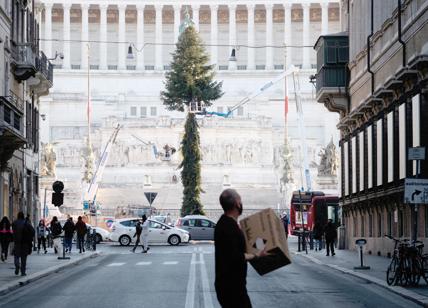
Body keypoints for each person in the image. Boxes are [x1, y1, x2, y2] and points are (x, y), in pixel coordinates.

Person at [214, 189, 268, 308]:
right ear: (237, 204)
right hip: (231, 288)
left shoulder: (225, 224)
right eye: (240, 201)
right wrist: (257, 255)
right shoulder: (229, 228)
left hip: (229, 286)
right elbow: (235, 257)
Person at [12, 212, 35, 276]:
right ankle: (23, 272)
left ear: (18, 216)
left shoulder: (14, 223)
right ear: (23, 216)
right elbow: (33, 231)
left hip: (17, 243)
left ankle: (17, 265)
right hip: (25, 243)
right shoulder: (26, 223)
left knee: (16, 256)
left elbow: (12, 232)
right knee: (23, 258)